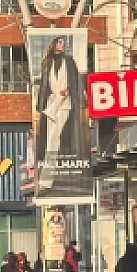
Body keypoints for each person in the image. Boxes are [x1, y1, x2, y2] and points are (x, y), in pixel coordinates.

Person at [34, 35, 89, 192]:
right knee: (53, 140)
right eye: (60, 42)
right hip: (52, 102)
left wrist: (70, 91)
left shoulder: (69, 61)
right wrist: (41, 103)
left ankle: (46, 180)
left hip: (65, 104)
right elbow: (44, 85)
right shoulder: (48, 62)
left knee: (53, 138)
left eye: (63, 43)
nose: (62, 45)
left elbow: (75, 81)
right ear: (54, 44)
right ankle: (46, 179)